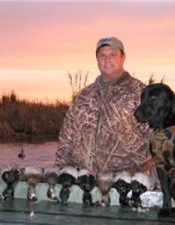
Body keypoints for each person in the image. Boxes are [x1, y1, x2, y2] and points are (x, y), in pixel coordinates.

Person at [55, 37, 152, 174]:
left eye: (112, 54)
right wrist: (62, 169)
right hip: (84, 179)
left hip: (129, 181)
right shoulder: (84, 96)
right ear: (97, 60)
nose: (107, 60)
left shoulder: (141, 93)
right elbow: (66, 137)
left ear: (122, 57)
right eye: (102, 55)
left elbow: (156, 139)